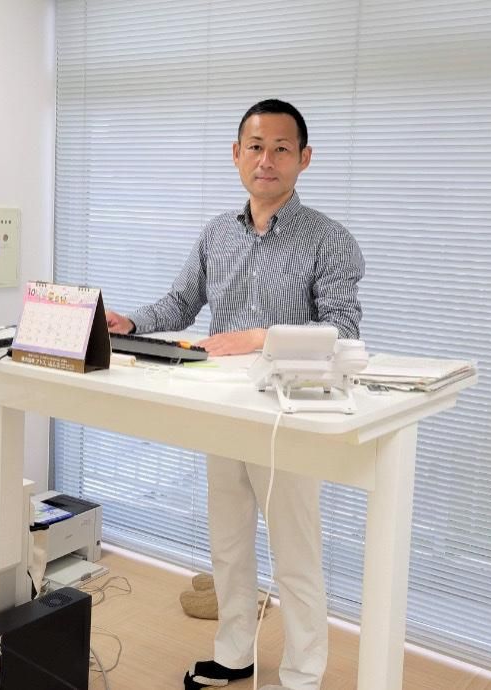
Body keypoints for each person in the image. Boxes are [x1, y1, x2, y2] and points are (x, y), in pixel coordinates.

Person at [106, 99, 365, 690]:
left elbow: (343, 329)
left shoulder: (328, 239)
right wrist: (131, 322)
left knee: (296, 554)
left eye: (280, 149)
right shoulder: (217, 233)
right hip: (220, 409)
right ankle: (234, 653)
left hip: (288, 414)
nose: (265, 160)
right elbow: (179, 304)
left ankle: (303, 675)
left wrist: (260, 337)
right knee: (228, 541)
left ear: (303, 158)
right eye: (255, 147)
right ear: (236, 154)